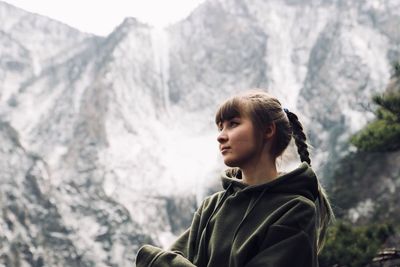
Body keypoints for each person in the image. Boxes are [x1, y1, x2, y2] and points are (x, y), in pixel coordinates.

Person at [135, 90, 334, 267]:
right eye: (220, 127)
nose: (221, 136)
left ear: (267, 130)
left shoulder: (295, 210)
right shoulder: (211, 206)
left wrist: (152, 257)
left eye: (233, 124)